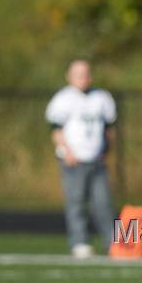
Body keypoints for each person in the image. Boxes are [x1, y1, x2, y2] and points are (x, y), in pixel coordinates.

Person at [45, 60, 116, 258]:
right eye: (78, 75)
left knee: (103, 203)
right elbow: (56, 130)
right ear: (69, 77)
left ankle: (112, 242)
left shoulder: (101, 97)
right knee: (76, 203)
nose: (83, 79)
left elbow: (108, 128)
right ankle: (80, 242)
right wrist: (67, 152)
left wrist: (106, 150)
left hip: (97, 159)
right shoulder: (63, 99)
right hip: (73, 160)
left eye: (85, 74)